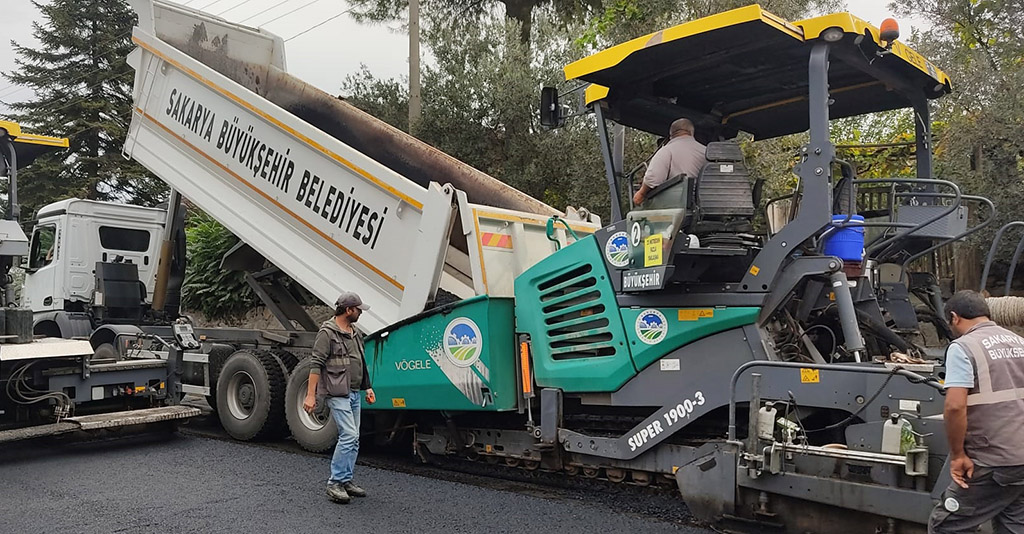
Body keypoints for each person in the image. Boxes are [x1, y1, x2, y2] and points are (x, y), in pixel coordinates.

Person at [929, 290, 1024, 533]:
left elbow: (954, 405)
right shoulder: (1019, 342)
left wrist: (958, 455)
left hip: (993, 460)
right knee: (1014, 526)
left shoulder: (963, 347)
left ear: (954, 317)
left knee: (947, 526)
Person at [304, 291, 376, 504]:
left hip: (354, 392)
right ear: (348, 310)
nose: (360, 313)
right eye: (358, 309)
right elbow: (316, 363)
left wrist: (368, 387)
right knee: (349, 436)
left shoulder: (354, 332)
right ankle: (334, 482)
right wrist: (311, 395)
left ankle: (346, 479)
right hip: (337, 392)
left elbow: (361, 361)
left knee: (354, 439)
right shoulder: (327, 333)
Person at [632, 118, 707, 206]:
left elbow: (653, 178)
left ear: (671, 134)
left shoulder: (667, 150)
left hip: (680, 206)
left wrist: (641, 193)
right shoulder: (706, 152)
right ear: (691, 132)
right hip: (707, 205)